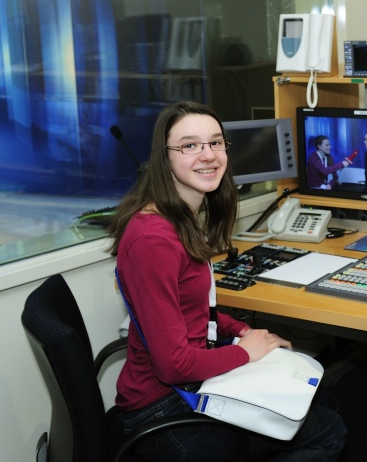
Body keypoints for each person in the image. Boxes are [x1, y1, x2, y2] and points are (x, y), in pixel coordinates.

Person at [107, 101, 346, 462]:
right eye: (189, 145)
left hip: (185, 386)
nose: (208, 155)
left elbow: (193, 311)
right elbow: (173, 365)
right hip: (164, 410)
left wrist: (243, 331)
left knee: (315, 393)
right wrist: (245, 352)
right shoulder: (152, 240)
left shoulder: (178, 219)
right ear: (164, 158)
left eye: (215, 142)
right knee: (329, 433)